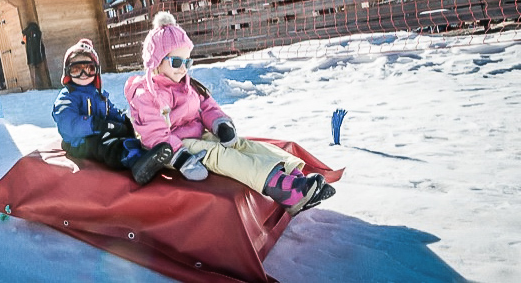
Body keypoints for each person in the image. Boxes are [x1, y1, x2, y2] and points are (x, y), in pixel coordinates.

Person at [125, 12, 335, 215]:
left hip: (195, 136)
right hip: (172, 148)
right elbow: (155, 136)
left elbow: (207, 107)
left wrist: (220, 124)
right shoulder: (146, 94)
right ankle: (283, 189)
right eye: (177, 62)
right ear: (156, 61)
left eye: (187, 62)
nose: (183, 69)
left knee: (241, 145)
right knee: (217, 154)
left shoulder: (188, 85)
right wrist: (182, 159)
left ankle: (295, 175)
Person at [52, 39, 173, 185]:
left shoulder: (98, 94)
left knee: (123, 133)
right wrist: (96, 125)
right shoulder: (67, 96)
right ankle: (134, 161)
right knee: (105, 144)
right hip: (79, 143)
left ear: (96, 71)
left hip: (98, 132)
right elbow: (67, 124)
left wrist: (123, 120)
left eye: (89, 68)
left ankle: (144, 153)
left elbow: (110, 110)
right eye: (77, 69)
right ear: (67, 72)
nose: (84, 74)